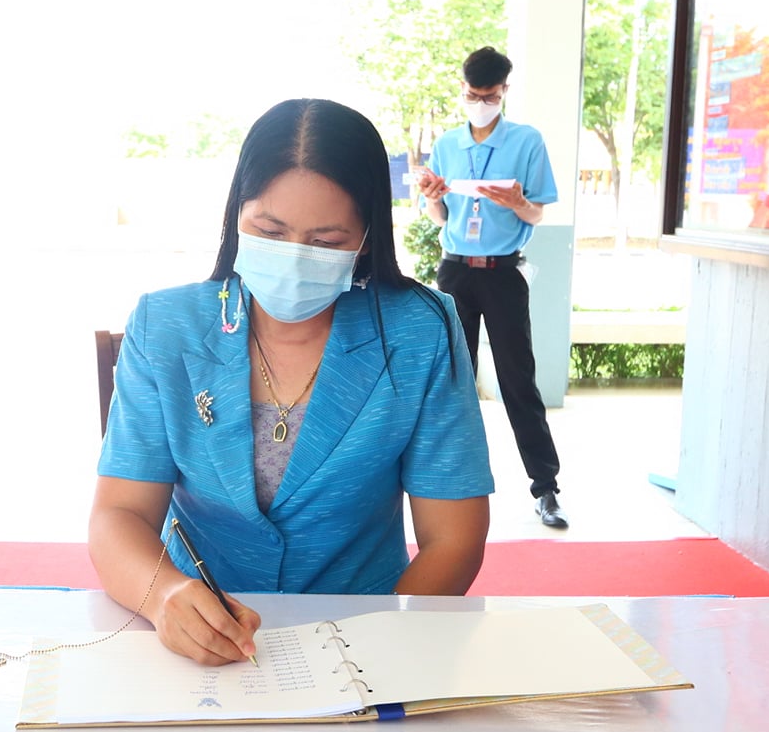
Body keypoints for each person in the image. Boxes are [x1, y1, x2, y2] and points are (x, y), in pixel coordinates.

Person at [90, 98, 493, 666]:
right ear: (237, 214)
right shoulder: (166, 327)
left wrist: (364, 656)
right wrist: (165, 597)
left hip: (367, 642)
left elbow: (454, 537)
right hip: (199, 635)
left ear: (367, 237)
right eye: (269, 231)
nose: (294, 258)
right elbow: (119, 514)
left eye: (326, 242)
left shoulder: (419, 331)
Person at [416, 46, 567, 529]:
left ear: (504, 91)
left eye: (489, 96)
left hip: (503, 273)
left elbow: (537, 214)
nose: (480, 103)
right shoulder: (446, 145)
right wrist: (432, 198)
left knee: (517, 380)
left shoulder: (526, 141)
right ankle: (445, 487)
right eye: (472, 95)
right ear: (462, 90)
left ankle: (546, 488)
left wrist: (519, 202)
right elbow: (440, 217)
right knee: (451, 380)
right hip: (455, 271)